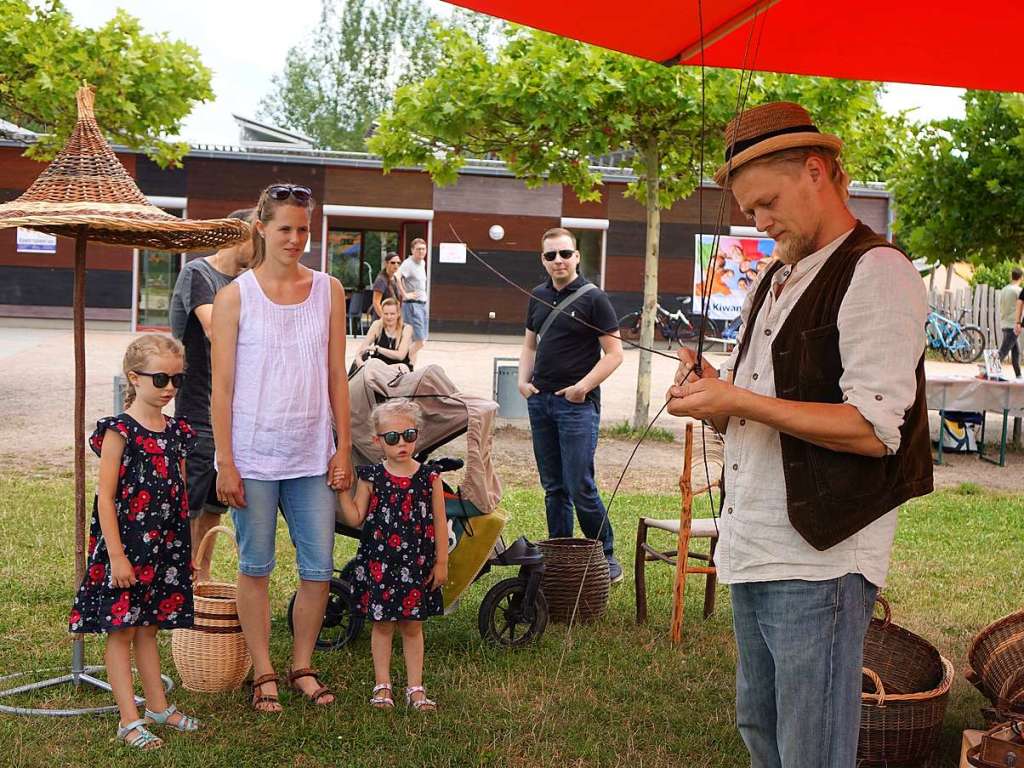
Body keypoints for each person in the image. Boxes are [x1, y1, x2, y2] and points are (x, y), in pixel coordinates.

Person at [666, 102, 932, 768]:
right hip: (754, 540)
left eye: (767, 203)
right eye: (749, 210)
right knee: (762, 731)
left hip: (821, 556)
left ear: (818, 171)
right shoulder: (776, 275)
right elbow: (757, 403)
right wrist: (714, 398)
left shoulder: (877, 271)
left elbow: (873, 431)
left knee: (810, 751)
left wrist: (738, 399)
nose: (759, 224)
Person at [211, 183, 353, 712]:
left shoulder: (329, 289)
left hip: (313, 454)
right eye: (285, 228)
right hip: (253, 455)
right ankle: (263, 671)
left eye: (303, 229)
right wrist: (227, 461)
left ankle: (302, 665)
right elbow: (221, 387)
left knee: (318, 568)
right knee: (256, 566)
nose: (295, 239)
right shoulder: (234, 296)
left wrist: (343, 448)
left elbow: (337, 374)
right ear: (262, 229)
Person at [68, 334, 199, 750]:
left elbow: (180, 493)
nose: (169, 388)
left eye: (176, 380)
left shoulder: (178, 432)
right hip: (125, 548)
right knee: (122, 630)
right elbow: (105, 498)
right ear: (134, 377)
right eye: (160, 378)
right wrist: (118, 557)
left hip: (165, 547)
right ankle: (129, 719)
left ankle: (158, 707)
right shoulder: (118, 431)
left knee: (150, 627)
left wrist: (187, 551)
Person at [517, 227, 625, 583]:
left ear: (577, 256)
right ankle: (560, 558)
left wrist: (582, 387)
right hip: (541, 403)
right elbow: (530, 345)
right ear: (542, 260)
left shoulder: (594, 298)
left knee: (580, 485)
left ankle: (605, 556)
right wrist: (523, 381)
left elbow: (614, 354)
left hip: (576, 406)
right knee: (554, 488)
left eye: (565, 254)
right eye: (551, 255)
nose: (558, 261)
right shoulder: (536, 295)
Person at [337, 400, 447, 711]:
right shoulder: (371, 476)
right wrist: (340, 492)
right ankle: (382, 685)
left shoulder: (430, 477)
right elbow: (355, 516)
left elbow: (440, 521)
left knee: (413, 626)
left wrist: (442, 561)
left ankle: (415, 688)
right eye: (392, 438)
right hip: (380, 565)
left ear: (418, 435)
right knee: (382, 624)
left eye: (409, 435)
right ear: (377, 441)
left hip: (416, 565)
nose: (402, 443)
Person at [169, 207, 254, 583]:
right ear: (241, 234)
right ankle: (180, 579)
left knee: (217, 501)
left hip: (236, 409)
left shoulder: (248, 281)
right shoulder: (198, 274)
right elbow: (212, 327)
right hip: (199, 405)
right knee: (191, 498)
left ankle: (199, 576)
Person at [352, 297, 413, 372]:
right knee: (363, 365)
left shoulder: (407, 329)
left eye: (392, 314)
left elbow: (400, 355)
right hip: (379, 367)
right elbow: (363, 347)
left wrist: (377, 349)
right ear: (382, 313)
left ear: (398, 314)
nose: (389, 317)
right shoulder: (377, 325)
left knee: (402, 368)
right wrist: (358, 360)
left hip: (398, 367)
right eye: (386, 314)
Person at [399, 238, 429, 365]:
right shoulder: (408, 263)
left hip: (422, 306)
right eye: (418, 249)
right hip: (413, 306)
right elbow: (397, 277)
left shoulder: (422, 263)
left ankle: (410, 368)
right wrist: (405, 294)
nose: (421, 251)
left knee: (418, 340)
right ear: (412, 250)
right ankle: (402, 358)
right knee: (420, 341)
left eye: (423, 249)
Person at [997, 267, 1023, 377]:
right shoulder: (1018, 291)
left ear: (1011, 276)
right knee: (1003, 351)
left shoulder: (1004, 289)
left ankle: (1018, 374)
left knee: (1016, 351)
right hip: (1013, 324)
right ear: (1021, 277)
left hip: (1004, 322)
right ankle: (988, 370)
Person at [371, 252, 404, 320]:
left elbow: (397, 300)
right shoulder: (381, 280)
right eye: (392, 262)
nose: (396, 265)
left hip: (393, 319)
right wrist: (385, 319)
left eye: (398, 263)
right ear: (386, 264)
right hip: (382, 319)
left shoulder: (394, 278)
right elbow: (376, 303)